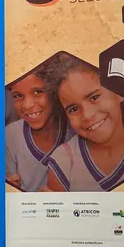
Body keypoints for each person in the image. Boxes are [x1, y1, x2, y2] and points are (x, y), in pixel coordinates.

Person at [45, 57, 124, 192]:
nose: (87, 115)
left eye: (94, 97)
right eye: (73, 109)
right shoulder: (63, 161)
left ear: (119, 92)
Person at [5, 58, 73, 192]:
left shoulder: (75, 130)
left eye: (37, 92)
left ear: (55, 91)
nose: (27, 105)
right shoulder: (10, 135)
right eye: (18, 95)